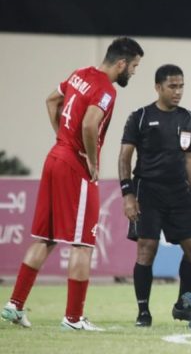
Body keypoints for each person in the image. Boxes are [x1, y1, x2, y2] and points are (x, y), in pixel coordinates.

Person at [1, 37, 144, 331]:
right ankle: (74, 318)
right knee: (83, 243)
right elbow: (90, 124)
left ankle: (14, 305)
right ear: (121, 64)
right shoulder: (106, 90)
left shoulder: (79, 74)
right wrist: (91, 159)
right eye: (134, 66)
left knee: (45, 237)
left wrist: (63, 138)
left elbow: (51, 100)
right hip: (74, 166)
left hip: (55, 156)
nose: (133, 72)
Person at [118, 64, 191, 327]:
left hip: (180, 192)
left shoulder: (187, 118)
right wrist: (127, 194)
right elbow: (124, 158)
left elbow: (189, 158)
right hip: (148, 191)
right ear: (158, 87)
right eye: (172, 86)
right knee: (147, 249)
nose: (178, 92)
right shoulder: (140, 117)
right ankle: (143, 312)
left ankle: (182, 306)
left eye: (181, 86)